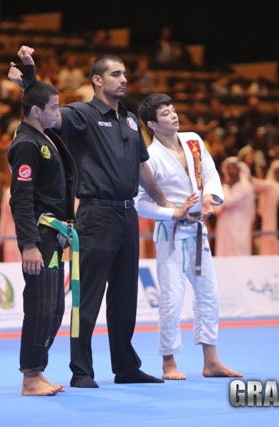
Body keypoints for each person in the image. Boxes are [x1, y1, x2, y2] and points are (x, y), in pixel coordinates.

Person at [9, 45, 170, 388]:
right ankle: (82, 370)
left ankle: (126, 367)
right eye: (116, 74)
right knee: (88, 297)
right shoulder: (81, 114)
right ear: (97, 80)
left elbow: (142, 167)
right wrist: (29, 78)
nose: (124, 79)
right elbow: (45, 113)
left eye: (125, 74)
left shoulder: (129, 119)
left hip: (128, 216)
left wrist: (166, 203)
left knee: (125, 296)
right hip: (95, 214)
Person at [136, 93, 242, 380]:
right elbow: (139, 202)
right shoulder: (149, 157)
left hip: (197, 231)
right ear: (152, 124)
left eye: (173, 110)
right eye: (166, 113)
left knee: (210, 295)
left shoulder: (194, 140)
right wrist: (174, 212)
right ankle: (168, 362)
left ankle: (211, 361)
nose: (174, 115)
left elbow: (210, 173)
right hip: (170, 234)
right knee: (171, 299)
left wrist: (210, 199)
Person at [7, 80, 77, 396]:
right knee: (40, 305)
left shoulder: (43, 137)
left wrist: (28, 72)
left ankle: (39, 369)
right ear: (35, 111)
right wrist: (29, 244)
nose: (57, 112)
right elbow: (20, 198)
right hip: (39, 237)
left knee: (54, 307)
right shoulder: (26, 144)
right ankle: (29, 377)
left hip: (53, 233)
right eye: (53, 107)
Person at [214, 156, 255, 256]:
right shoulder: (225, 187)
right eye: (229, 168)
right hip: (223, 226)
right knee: (223, 253)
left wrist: (225, 187)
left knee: (239, 253)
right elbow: (216, 209)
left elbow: (228, 202)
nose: (231, 171)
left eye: (234, 168)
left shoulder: (245, 186)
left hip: (240, 226)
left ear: (240, 169)